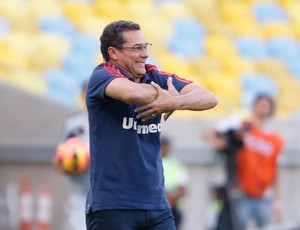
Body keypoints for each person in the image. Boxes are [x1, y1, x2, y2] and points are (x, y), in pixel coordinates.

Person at [85, 20, 218, 230]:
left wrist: (176, 101)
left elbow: (210, 98)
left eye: (146, 46)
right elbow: (133, 93)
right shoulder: (102, 75)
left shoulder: (153, 75)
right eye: (137, 48)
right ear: (113, 52)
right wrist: (166, 95)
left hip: (157, 204)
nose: (145, 54)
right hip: (114, 205)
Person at [203, 94, 284, 230]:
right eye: (261, 104)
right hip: (241, 192)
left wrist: (277, 201)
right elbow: (209, 133)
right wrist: (221, 144)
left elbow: (275, 169)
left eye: (266, 105)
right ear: (254, 106)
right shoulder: (241, 125)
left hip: (263, 194)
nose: (263, 108)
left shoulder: (276, 139)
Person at [53, 81, 89, 230]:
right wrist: (67, 164)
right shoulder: (73, 123)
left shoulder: (114, 120)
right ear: (82, 95)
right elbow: (57, 159)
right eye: (88, 90)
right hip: (79, 194)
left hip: (108, 193)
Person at [160, 136, 189, 230]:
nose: (165, 148)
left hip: (173, 207)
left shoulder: (176, 164)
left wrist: (172, 198)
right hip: (158, 205)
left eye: (166, 146)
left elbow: (183, 187)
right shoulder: (153, 161)